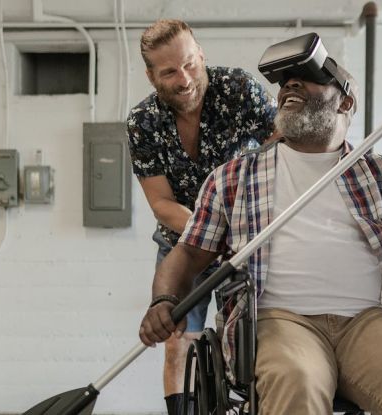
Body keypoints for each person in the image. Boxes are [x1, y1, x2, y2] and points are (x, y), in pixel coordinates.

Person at [138, 58, 382, 414]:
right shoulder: (234, 177)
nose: (290, 86)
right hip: (279, 320)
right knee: (295, 380)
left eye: (308, 79)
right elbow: (189, 253)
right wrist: (163, 300)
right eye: (285, 83)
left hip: (370, 320)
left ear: (345, 102)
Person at [126, 19, 277, 415]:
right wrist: (209, 235)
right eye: (169, 72)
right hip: (182, 244)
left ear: (201, 54)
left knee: (252, 342)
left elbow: (284, 152)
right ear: (151, 76)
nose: (185, 78)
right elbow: (160, 202)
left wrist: (238, 233)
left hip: (247, 244)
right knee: (178, 341)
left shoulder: (239, 91)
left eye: (190, 64)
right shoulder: (142, 123)